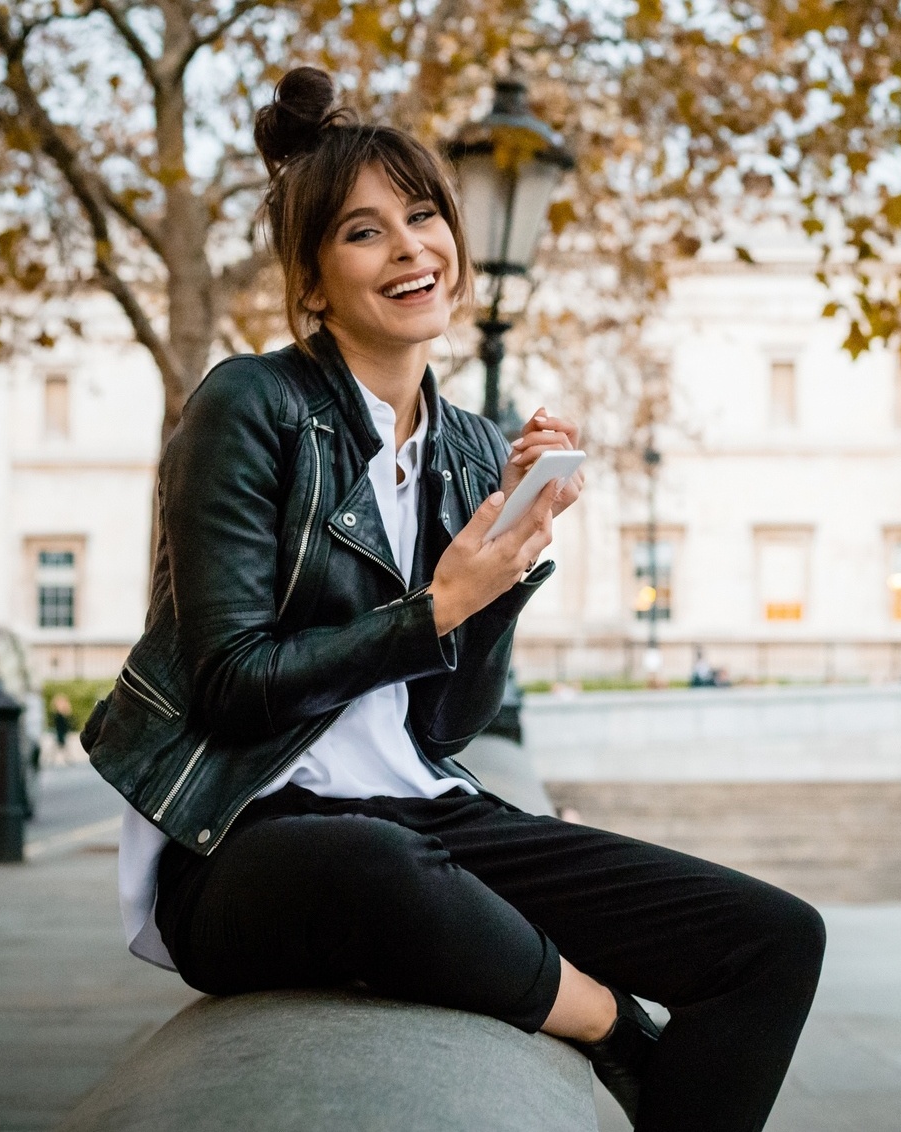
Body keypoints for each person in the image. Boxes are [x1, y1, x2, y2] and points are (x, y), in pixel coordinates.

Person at [82, 67, 824, 1131]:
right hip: (239, 841)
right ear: (312, 282)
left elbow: (445, 727)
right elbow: (232, 686)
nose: (409, 249)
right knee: (377, 863)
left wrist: (506, 568)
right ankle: (613, 1028)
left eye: (423, 217)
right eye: (364, 233)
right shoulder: (251, 405)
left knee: (775, 938)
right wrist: (432, 607)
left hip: (422, 813)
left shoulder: (468, 445)